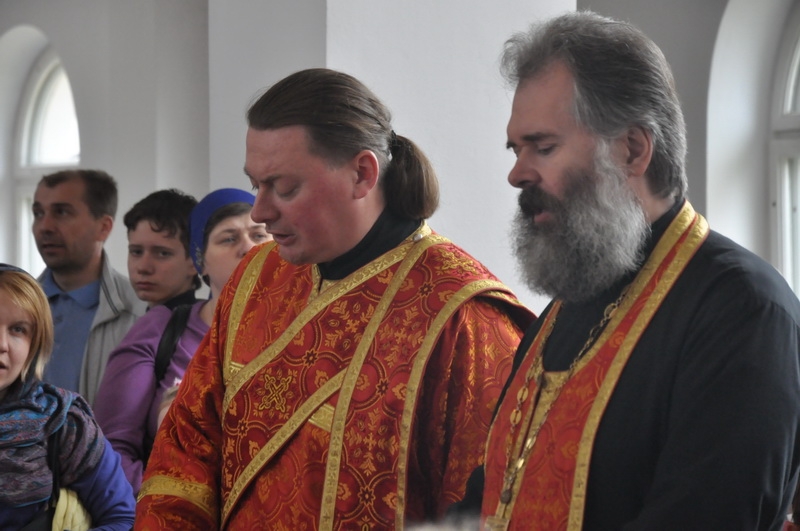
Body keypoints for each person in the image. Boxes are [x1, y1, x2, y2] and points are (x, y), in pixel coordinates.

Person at [135, 68, 534, 530]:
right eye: (256, 185)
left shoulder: (466, 319)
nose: (261, 212)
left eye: (284, 187)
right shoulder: (256, 277)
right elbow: (188, 446)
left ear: (362, 174)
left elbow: (484, 510)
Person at [449, 11, 800, 530]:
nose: (517, 173)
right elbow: (491, 498)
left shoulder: (743, 309)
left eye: (543, 147)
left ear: (632, 150)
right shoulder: (565, 309)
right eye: (516, 149)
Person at [94, 188, 269, 494]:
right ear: (200, 261)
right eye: (229, 238)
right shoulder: (160, 329)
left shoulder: (305, 334)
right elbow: (111, 449)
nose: (248, 248)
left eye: (258, 235)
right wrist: (172, 498)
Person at [0, 263, 135, 530]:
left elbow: (123, 519)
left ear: (34, 344)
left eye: (18, 329)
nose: (1, 344)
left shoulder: (64, 423)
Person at [32, 169, 146, 405]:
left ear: (103, 227)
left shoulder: (138, 313)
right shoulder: (14, 307)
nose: (45, 226)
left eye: (62, 212)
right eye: (38, 213)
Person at [123, 188, 200, 308]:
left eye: (163, 253)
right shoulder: (132, 315)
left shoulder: (209, 319)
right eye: (136, 252)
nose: (143, 268)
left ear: (195, 261)